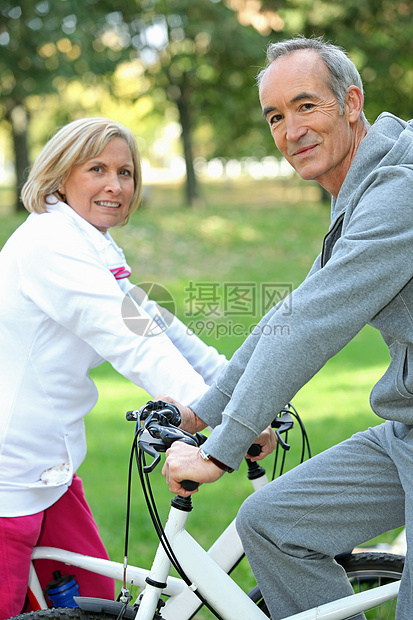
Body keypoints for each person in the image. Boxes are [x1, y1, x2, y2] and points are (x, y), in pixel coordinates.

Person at [162, 35, 413, 620]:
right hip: (405, 432)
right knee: (271, 523)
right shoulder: (362, 188)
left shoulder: (400, 192)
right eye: (275, 115)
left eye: (306, 105)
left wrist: (219, 453)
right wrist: (204, 411)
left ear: (351, 103)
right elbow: (293, 312)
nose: (290, 129)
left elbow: (312, 326)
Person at [0, 117, 228, 619]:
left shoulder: (89, 243)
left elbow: (156, 326)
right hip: (8, 481)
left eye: (126, 172)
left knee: (100, 605)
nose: (115, 184)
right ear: (60, 175)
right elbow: (132, 342)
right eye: (97, 168)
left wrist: (235, 385)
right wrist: (223, 414)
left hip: (51, 472)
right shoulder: (49, 245)